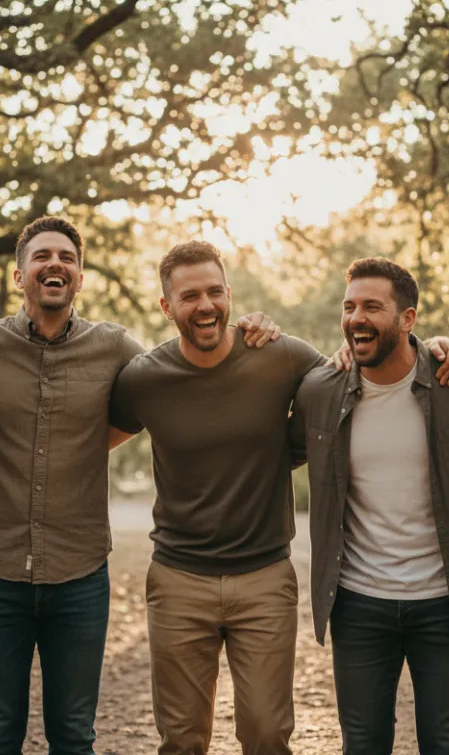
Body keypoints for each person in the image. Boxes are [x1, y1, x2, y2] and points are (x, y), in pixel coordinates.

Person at [0, 217, 282, 755]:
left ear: (80, 277)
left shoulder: (114, 348)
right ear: (19, 276)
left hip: (79, 574)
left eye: (66, 257)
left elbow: (182, 368)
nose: (54, 264)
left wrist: (248, 333)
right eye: (41, 257)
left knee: (74, 737)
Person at [108, 241, 329, 755]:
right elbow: (87, 438)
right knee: (182, 740)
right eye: (189, 296)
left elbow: (350, 379)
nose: (204, 305)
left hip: (265, 578)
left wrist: (436, 349)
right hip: (179, 579)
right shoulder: (143, 379)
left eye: (214, 292)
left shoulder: (281, 355)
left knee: (267, 734)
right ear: (167, 307)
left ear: (230, 294)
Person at [289, 257, 449, 755]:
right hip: (358, 601)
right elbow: (270, 454)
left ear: (408, 319)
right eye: (349, 308)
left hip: (445, 601)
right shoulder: (320, 391)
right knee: (363, 744)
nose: (355, 318)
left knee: (447, 743)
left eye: (372, 306)